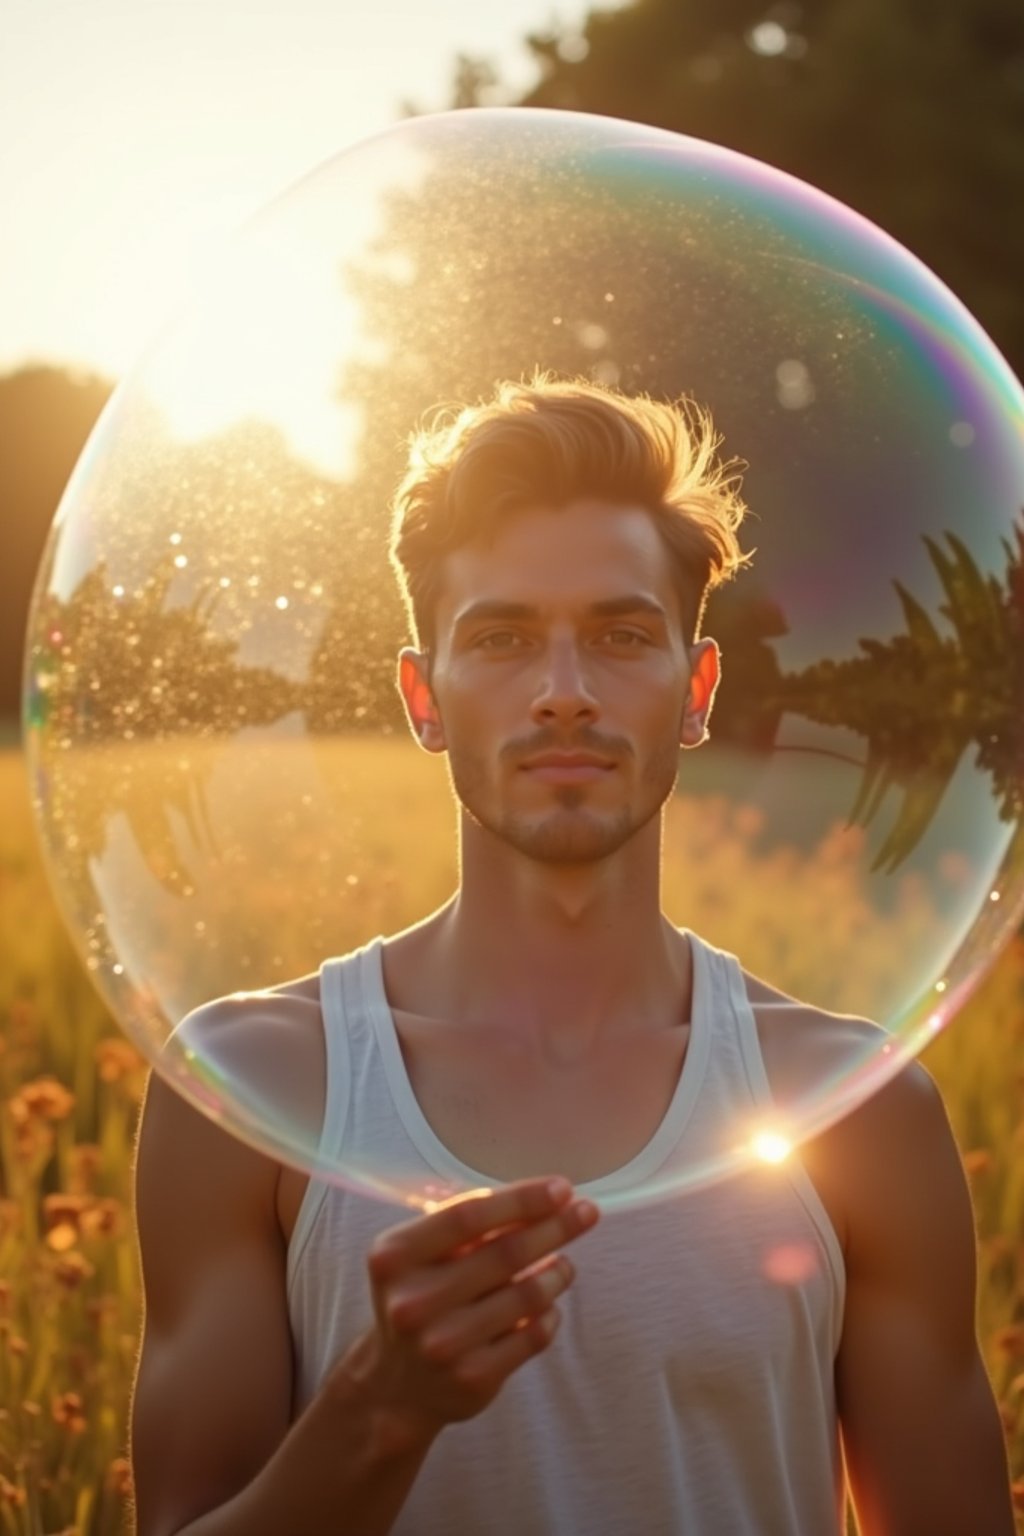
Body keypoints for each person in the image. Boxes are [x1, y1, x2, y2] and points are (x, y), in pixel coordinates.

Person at [129, 375, 1015, 1536]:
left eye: (620, 635)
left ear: (695, 689)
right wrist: (380, 1409)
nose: (561, 695)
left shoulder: (855, 1109)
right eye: (500, 639)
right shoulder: (249, 1094)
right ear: (423, 696)